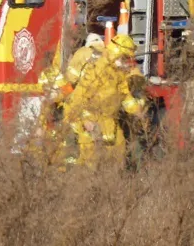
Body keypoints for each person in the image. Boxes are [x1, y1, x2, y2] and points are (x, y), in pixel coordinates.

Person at [62, 34, 147, 166]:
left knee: (119, 154)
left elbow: (124, 96)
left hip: (109, 122)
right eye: (124, 57)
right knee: (91, 162)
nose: (125, 61)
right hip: (91, 122)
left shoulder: (118, 72)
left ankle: (113, 183)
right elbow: (79, 97)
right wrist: (85, 120)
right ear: (117, 53)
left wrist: (136, 110)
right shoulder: (97, 70)